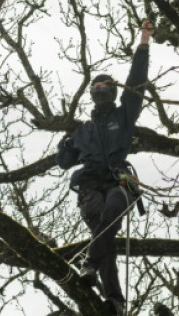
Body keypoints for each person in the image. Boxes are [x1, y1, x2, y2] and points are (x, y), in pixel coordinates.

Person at [57, 20, 154, 315]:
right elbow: (64, 162)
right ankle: (115, 302)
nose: (99, 89)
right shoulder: (82, 131)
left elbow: (136, 82)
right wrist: (65, 144)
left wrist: (144, 41)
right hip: (89, 184)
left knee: (112, 212)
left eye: (104, 86)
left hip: (118, 179)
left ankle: (89, 263)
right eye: (95, 86)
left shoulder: (123, 116)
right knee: (105, 234)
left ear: (112, 90)